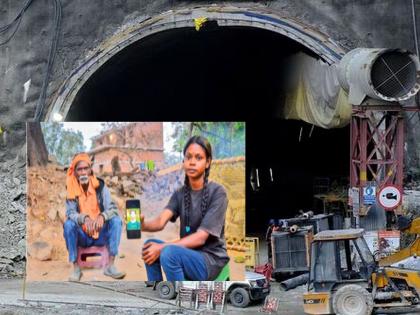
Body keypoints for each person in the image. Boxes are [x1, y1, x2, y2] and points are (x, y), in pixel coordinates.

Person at [141, 136, 229, 281]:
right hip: (187, 252)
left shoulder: (218, 192)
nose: (192, 162)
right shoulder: (180, 194)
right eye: (188, 157)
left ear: (208, 162)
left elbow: (201, 238)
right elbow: (160, 221)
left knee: (169, 252)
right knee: (149, 246)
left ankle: (181, 297)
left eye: (198, 158)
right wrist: (142, 224)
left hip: (210, 259)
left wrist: (163, 248)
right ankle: (155, 288)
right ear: (183, 162)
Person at [63, 153, 126, 281]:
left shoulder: (101, 187)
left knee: (116, 220)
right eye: (79, 169)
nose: (83, 172)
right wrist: (84, 218)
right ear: (75, 172)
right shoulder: (71, 188)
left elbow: (112, 209)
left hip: (100, 234)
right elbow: (70, 213)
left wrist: (102, 216)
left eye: (86, 168)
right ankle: (76, 268)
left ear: (90, 169)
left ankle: (110, 266)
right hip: (83, 236)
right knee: (68, 224)